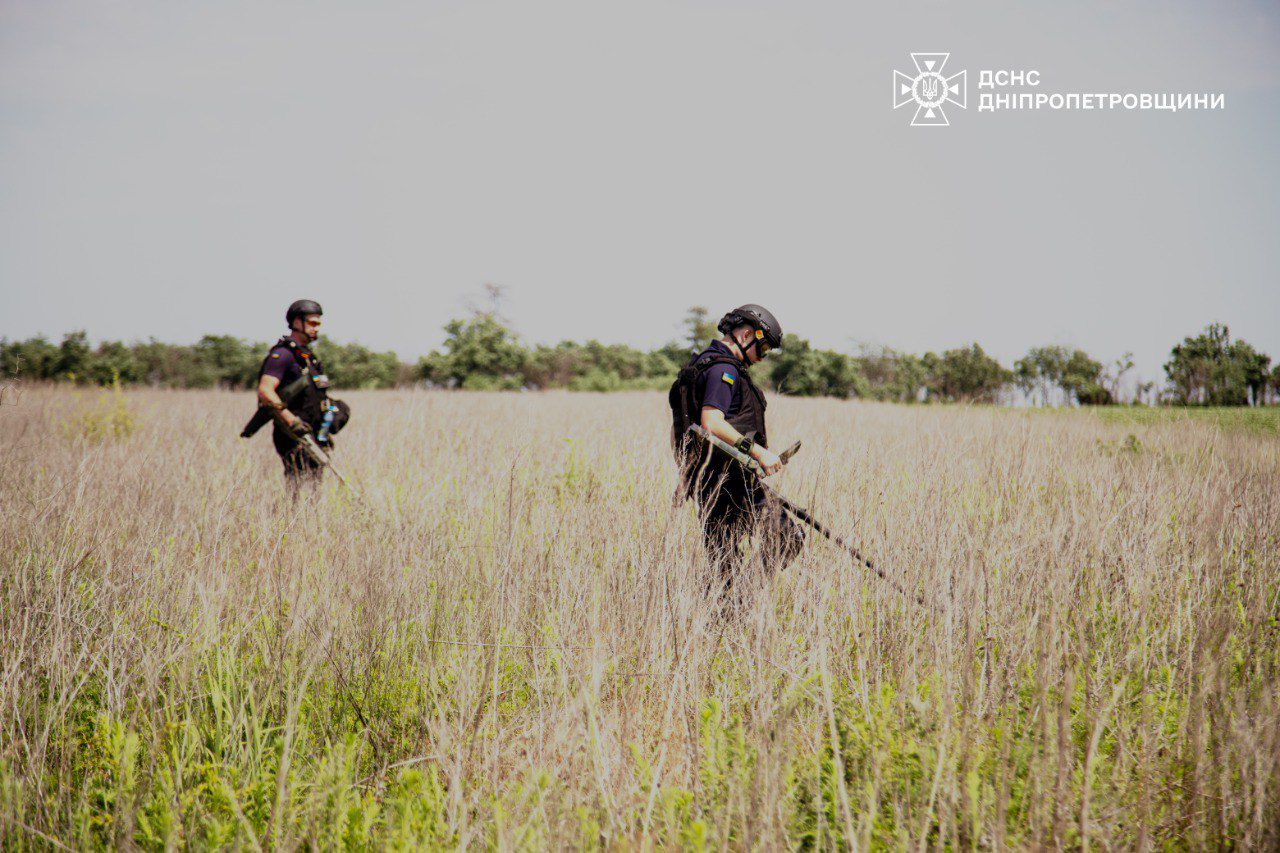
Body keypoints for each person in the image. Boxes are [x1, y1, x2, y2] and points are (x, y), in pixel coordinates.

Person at [669, 303, 804, 597]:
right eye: (762, 349)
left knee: (724, 567)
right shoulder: (723, 370)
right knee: (788, 538)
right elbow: (711, 422)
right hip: (730, 485)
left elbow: (684, 429)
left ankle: (726, 610)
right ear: (746, 336)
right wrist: (759, 453)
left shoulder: (701, 365)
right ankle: (741, 601)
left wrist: (687, 473)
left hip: (710, 483)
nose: (761, 358)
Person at [255, 299, 343, 495]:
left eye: (318, 323)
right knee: (298, 490)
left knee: (313, 492)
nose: (317, 328)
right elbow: (265, 391)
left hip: (313, 434)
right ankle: (290, 516)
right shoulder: (282, 355)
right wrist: (291, 421)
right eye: (312, 323)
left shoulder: (306, 357)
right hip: (293, 435)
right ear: (296, 322)